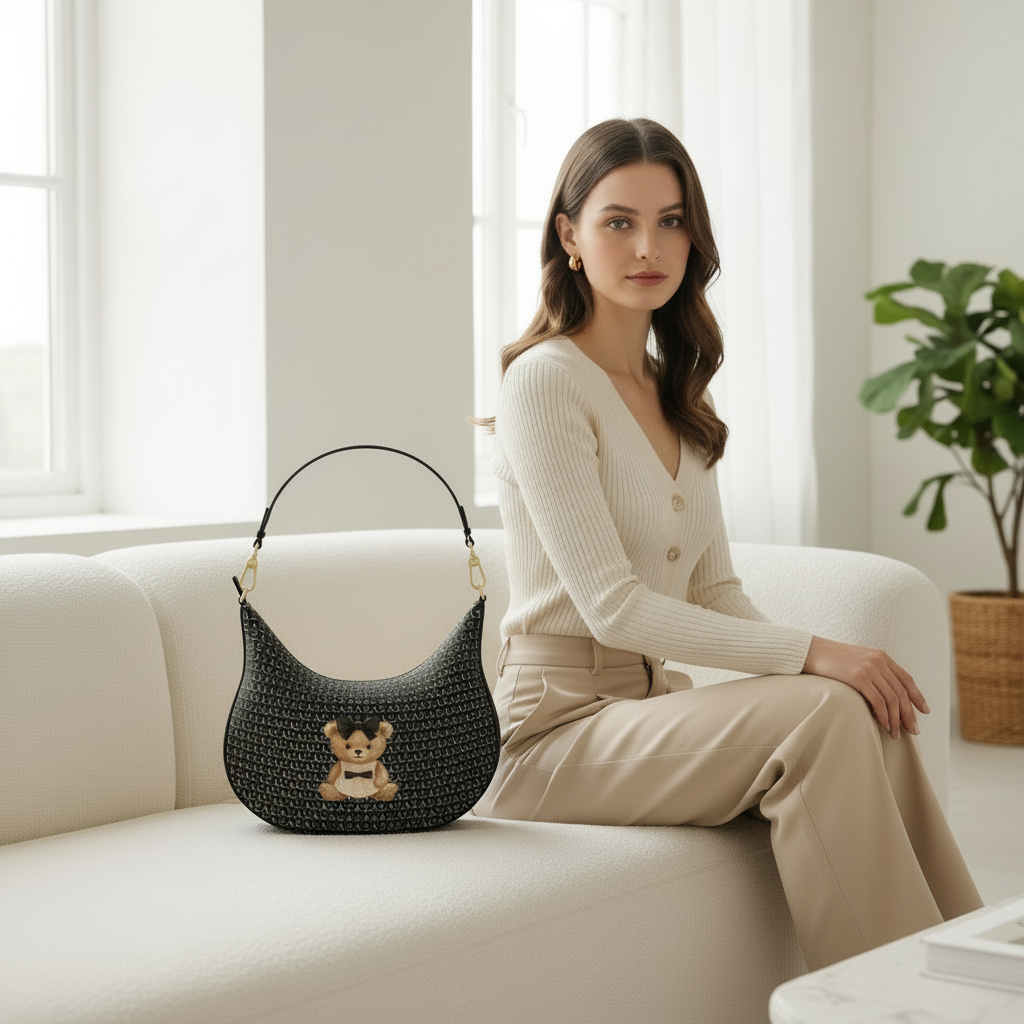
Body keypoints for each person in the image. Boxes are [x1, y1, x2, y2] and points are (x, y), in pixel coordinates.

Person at [471, 117, 983, 971]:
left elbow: (711, 594)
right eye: (618, 221)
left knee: (865, 707)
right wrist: (815, 654)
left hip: (643, 712)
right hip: (550, 735)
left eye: (671, 221)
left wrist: (834, 666)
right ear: (568, 236)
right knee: (824, 705)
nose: (649, 246)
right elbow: (614, 607)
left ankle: (973, 973)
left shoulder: (678, 399)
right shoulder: (545, 381)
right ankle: (890, 1001)